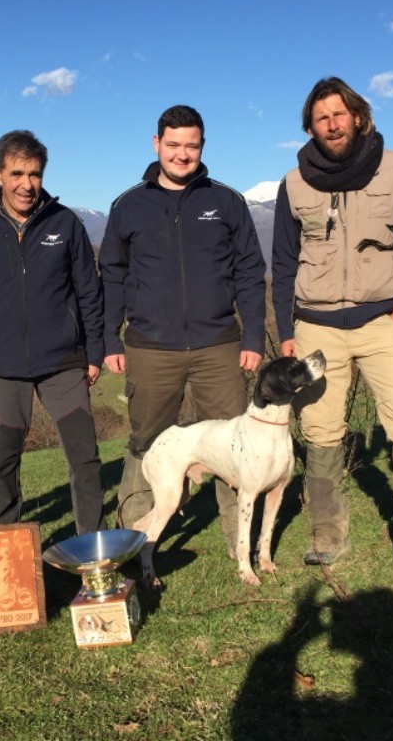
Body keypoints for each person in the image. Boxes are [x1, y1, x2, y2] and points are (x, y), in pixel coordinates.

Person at [271, 77, 393, 584]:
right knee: (320, 429)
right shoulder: (293, 183)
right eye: (320, 118)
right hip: (315, 327)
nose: (331, 124)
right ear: (309, 127)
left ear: (358, 116)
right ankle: (326, 532)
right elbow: (284, 261)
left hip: (381, 322)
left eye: (339, 114)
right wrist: (285, 330)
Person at [99, 105, 266, 556]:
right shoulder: (128, 205)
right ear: (156, 145)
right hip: (151, 346)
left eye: (191, 145)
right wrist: (109, 339)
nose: (182, 154)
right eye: (173, 145)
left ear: (202, 147)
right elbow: (112, 275)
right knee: (145, 441)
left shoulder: (226, 201)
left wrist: (253, 336)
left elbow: (250, 272)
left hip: (219, 345)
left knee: (233, 443)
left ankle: (239, 540)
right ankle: (135, 538)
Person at [0, 130, 105, 535]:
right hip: (0, 366)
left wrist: (95, 351)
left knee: (84, 460)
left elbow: (89, 291)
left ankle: (96, 554)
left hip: (64, 362)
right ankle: (4, 553)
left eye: (35, 174)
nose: (26, 184)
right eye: (17, 173)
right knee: (1, 465)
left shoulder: (65, 223)